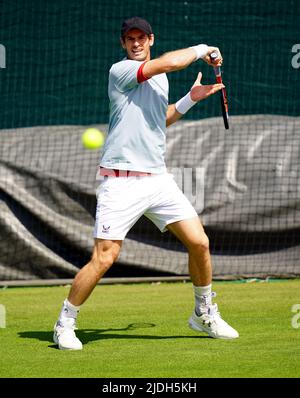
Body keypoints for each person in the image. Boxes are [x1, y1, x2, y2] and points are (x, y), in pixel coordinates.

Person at [53, 16, 239, 350]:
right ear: (124, 44)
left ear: (151, 39)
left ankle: (203, 312)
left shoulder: (159, 80)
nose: (136, 43)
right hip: (120, 182)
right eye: (130, 39)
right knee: (105, 258)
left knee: (199, 242)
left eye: (141, 38)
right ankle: (65, 323)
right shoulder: (121, 70)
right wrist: (201, 49)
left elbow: (159, 119)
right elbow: (167, 64)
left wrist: (190, 99)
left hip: (158, 179)